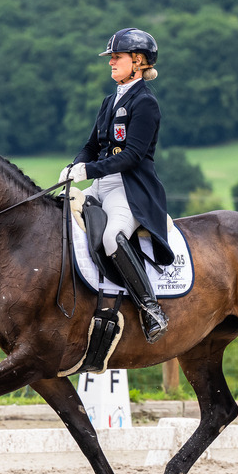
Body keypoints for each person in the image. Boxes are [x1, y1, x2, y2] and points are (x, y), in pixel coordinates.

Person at [58, 27, 174, 343]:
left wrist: (88, 170)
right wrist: (73, 167)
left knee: (112, 236)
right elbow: (91, 145)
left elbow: (132, 156)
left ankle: (151, 309)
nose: (110, 62)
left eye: (117, 57)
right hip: (102, 183)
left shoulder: (145, 103)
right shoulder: (110, 100)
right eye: (111, 57)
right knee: (59, 215)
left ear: (138, 61)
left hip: (130, 188)